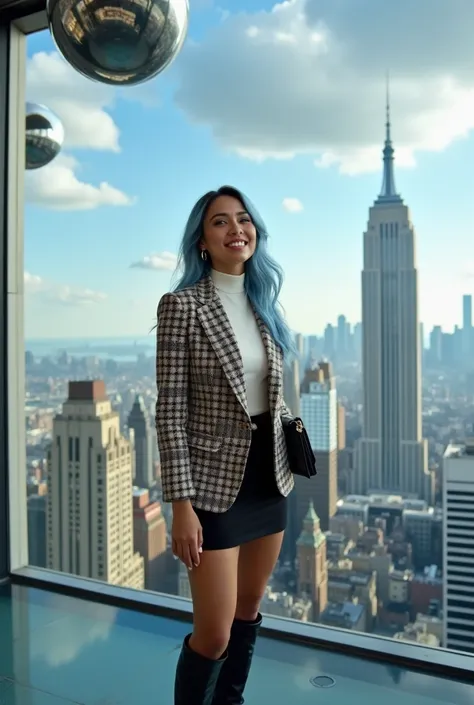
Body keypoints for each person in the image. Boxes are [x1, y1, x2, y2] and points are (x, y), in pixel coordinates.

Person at [155, 185, 296, 705]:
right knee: (212, 633)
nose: (236, 228)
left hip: (268, 477)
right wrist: (181, 506)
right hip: (211, 488)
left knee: (248, 609)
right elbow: (170, 411)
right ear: (202, 242)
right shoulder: (183, 306)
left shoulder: (265, 306)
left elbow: (268, 395)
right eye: (220, 222)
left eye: (243, 219)